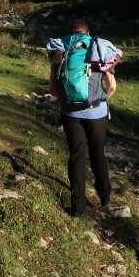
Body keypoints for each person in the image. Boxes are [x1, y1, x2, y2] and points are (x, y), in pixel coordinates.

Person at [48, 19, 117, 218]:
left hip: (70, 113)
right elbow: (112, 87)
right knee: (98, 153)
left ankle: (77, 208)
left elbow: (53, 90)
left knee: (77, 156)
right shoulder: (97, 48)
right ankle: (104, 196)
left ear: (69, 33)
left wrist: (69, 102)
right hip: (97, 112)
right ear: (87, 32)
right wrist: (99, 101)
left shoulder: (60, 51)